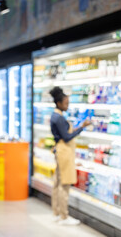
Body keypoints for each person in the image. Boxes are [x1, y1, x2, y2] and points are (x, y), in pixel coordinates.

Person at [49, 87, 90, 225]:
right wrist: (82, 127)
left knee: (58, 183)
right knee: (64, 184)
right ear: (59, 103)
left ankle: (56, 212)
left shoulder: (56, 116)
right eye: (66, 103)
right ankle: (64, 216)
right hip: (64, 152)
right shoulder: (59, 118)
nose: (68, 106)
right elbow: (67, 137)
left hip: (60, 151)